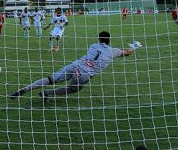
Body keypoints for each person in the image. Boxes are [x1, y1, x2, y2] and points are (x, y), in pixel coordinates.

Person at [9, 31, 141, 102]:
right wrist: (134, 47)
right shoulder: (113, 51)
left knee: (51, 79)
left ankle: (24, 89)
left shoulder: (93, 46)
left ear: (99, 39)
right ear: (109, 40)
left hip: (75, 65)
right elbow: (127, 53)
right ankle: (46, 94)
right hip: (84, 75)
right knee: (73, 89)